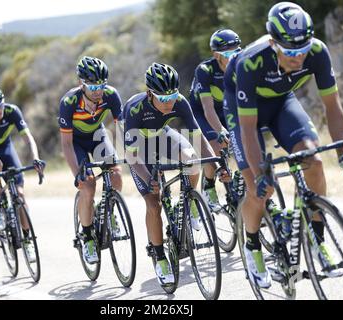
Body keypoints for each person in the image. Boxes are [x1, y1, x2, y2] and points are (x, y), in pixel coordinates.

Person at [223, 2, 343, 288]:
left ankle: (315, 239)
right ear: (273, 43)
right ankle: (252, 247)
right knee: (257, 190)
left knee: (314, 161)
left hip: (283, 102)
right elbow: (248, 129)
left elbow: (332, 107)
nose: (299, 58)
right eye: (291, 52)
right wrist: (260, 173)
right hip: (243, 111)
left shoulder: (317, 52)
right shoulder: (251, 61)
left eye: (303, 50)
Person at [121, 62, 217, 286]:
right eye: (163, 99)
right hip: (138, 147)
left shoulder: (180, 102)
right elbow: (132, 157)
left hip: (162, 135)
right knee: (154, 204)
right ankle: (159, 256)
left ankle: (191, 201)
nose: (169, 102)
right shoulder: (135, 109)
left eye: (172, 96)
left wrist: (215, 160)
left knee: (192, 159)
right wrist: (149, 179)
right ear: (149, 94)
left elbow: (197, 135)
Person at [59, 56, 123, 265]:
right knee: (88, 185)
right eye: (93, 85)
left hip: (98, 136)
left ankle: (110, 211)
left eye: (101, 84)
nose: (98, 90)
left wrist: (132, 153)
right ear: (81, 83)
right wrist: (77, 171)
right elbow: (66, 144)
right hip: (76, 143)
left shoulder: (111, 95)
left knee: (116, 174)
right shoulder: (69, 102)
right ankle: (87, 236)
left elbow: (122, 129)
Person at [0, 84, 45, 262]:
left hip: (6, 148)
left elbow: (28, 138)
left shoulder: (12, 111)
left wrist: (35, 158)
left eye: (0, 105)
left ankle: (27, 240)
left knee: (20, 194)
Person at [189, 29, 242, 212]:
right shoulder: (205, 70)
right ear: (216, 55)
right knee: (215, 148)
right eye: (227, 54)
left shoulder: (240, 65)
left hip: (226, 109)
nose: (232, 57)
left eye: (236, 52)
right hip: (202, 112)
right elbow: (208, 108)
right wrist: (220, 130)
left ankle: (236, 186)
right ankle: (209, 186)